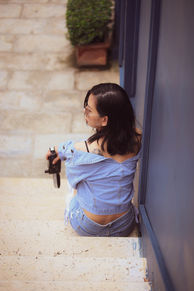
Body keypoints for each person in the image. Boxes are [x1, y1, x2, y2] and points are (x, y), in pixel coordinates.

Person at [46, 83, 142, 236]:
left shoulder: (80, 150)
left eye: (88, 110)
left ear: (104, 120)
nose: (84, 111)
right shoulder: (137, 139)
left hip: (88, 226)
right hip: (124, 225)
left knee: (76, 189)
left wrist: (58, 150)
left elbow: (74, 178)